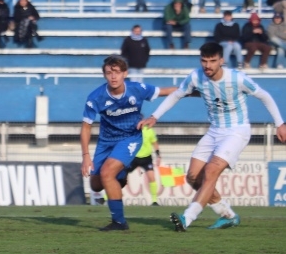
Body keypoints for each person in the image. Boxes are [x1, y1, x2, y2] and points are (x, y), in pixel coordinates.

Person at [138, 42, 286, 231]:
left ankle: (187, 218)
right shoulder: (196, 77)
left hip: (237, 131)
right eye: (204, 61)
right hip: (215, 130)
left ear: (221, 60)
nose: (207, 65)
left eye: (212, 61)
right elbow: (176, 95)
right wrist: (154, 116)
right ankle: (228, 215)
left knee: (211, 170)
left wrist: (280, 124)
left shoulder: (237, 78)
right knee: (193, 177)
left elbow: (264, 96)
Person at [80, 55, 176, 231]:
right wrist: (86, 156)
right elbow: (86, 127)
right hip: (106, 141)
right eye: (109, 73)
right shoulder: (95, 97)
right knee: (96, 184)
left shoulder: (137, 89)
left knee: (107, 173)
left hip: (130, 138)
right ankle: (121, 175)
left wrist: (194, 90)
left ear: (125, 73)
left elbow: (167, 91)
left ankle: (119, 222)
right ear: (104, 75)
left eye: (117, 72)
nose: (113, 76)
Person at [126, 126, 161, 206]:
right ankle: (107, 197)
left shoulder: (149, 130)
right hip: (134, 157)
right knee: (121, 174)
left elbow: (155, 144)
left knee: (152, 178)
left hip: (146, 158)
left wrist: (158, 156)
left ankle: (154, 201)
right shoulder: (132, 130)